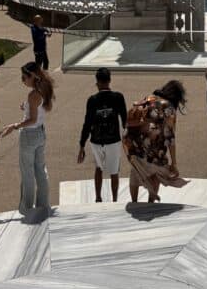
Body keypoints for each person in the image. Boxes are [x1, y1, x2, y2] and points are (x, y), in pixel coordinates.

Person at [0, 61, 55, 215]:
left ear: (32, 76)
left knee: (27, 173)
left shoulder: (33, 94)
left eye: (24, 77)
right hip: (40, 133)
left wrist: (15, 126)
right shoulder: (44, 88)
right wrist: (26, 106)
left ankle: (27, 208)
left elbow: (31, 120)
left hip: (29, 135)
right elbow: (42, 109)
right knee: (40, 170)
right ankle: (43, 204)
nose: (22, 80)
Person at [123, 80, 189, 204]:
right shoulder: (169, 107)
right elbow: (170, 137)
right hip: (153, 146)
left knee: (136, 171)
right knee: (156, 172)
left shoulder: (148, 98)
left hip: (132, 142)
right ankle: (150, 203)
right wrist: (174, 163)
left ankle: (134, 202)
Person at [78, 67, 127, 202]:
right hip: (114, 141)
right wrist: (128, 138)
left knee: (99, 168)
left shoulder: (92, 100)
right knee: (114, 171)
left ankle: (98, 198)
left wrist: (82, 145)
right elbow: (125, 120)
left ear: (97, 82)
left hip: (96, 140)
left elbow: (87, 123)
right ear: (110, 80)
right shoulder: (118, 97)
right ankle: (115, 200)